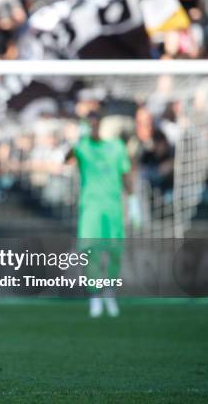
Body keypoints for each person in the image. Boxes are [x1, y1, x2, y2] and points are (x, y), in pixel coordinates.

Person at [66, 112, 141, 318]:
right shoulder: (83, 147)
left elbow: (126, 174)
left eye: (95, 124)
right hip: (91, 210)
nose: (93, 128)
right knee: (91, 253)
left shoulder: (116, 147)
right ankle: (95, 296)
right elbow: (67, 158)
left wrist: (133, 201)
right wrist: (75, 141)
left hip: (114, 210)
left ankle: (109, 292)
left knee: (115, 253)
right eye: (89, 125)